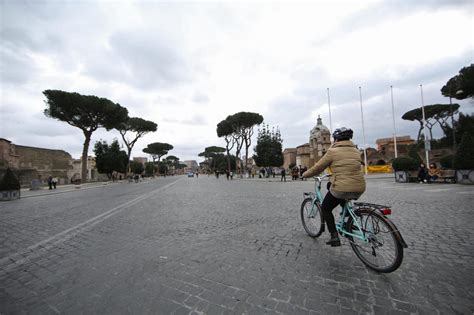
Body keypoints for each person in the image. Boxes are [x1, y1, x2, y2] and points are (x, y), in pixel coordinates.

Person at [302, 127, 366, 247]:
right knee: (330, 185)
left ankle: (334, 236)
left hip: (342, 187)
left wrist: (304, 174)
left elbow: (318, 167)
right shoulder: (356, 151)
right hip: (360, 186)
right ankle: (347, 213)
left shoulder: (332, 151)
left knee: (325, 208)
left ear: (336, 139)